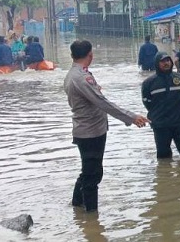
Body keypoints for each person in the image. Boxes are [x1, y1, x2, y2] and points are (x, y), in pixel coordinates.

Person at [64, 39, 149, 212]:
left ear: (72, 56)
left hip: (90, 129)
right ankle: (91, 218)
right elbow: (103, 103)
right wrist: (131, 117)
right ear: (90, 55)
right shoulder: (81, 78)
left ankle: (77, 204)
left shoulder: (76, 74)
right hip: (90, 132)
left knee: (90, 171)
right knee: (92, 175)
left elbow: (93, 97)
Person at [141, 51, 180, 160]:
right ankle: (165, 175)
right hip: (160, 125)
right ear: (157, 63)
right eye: (162, 61)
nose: (166, 63)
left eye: (167, 60)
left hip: (179, 122)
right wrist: (159, 113)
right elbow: (147, 103)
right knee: (163, 158)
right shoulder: (148, 83)